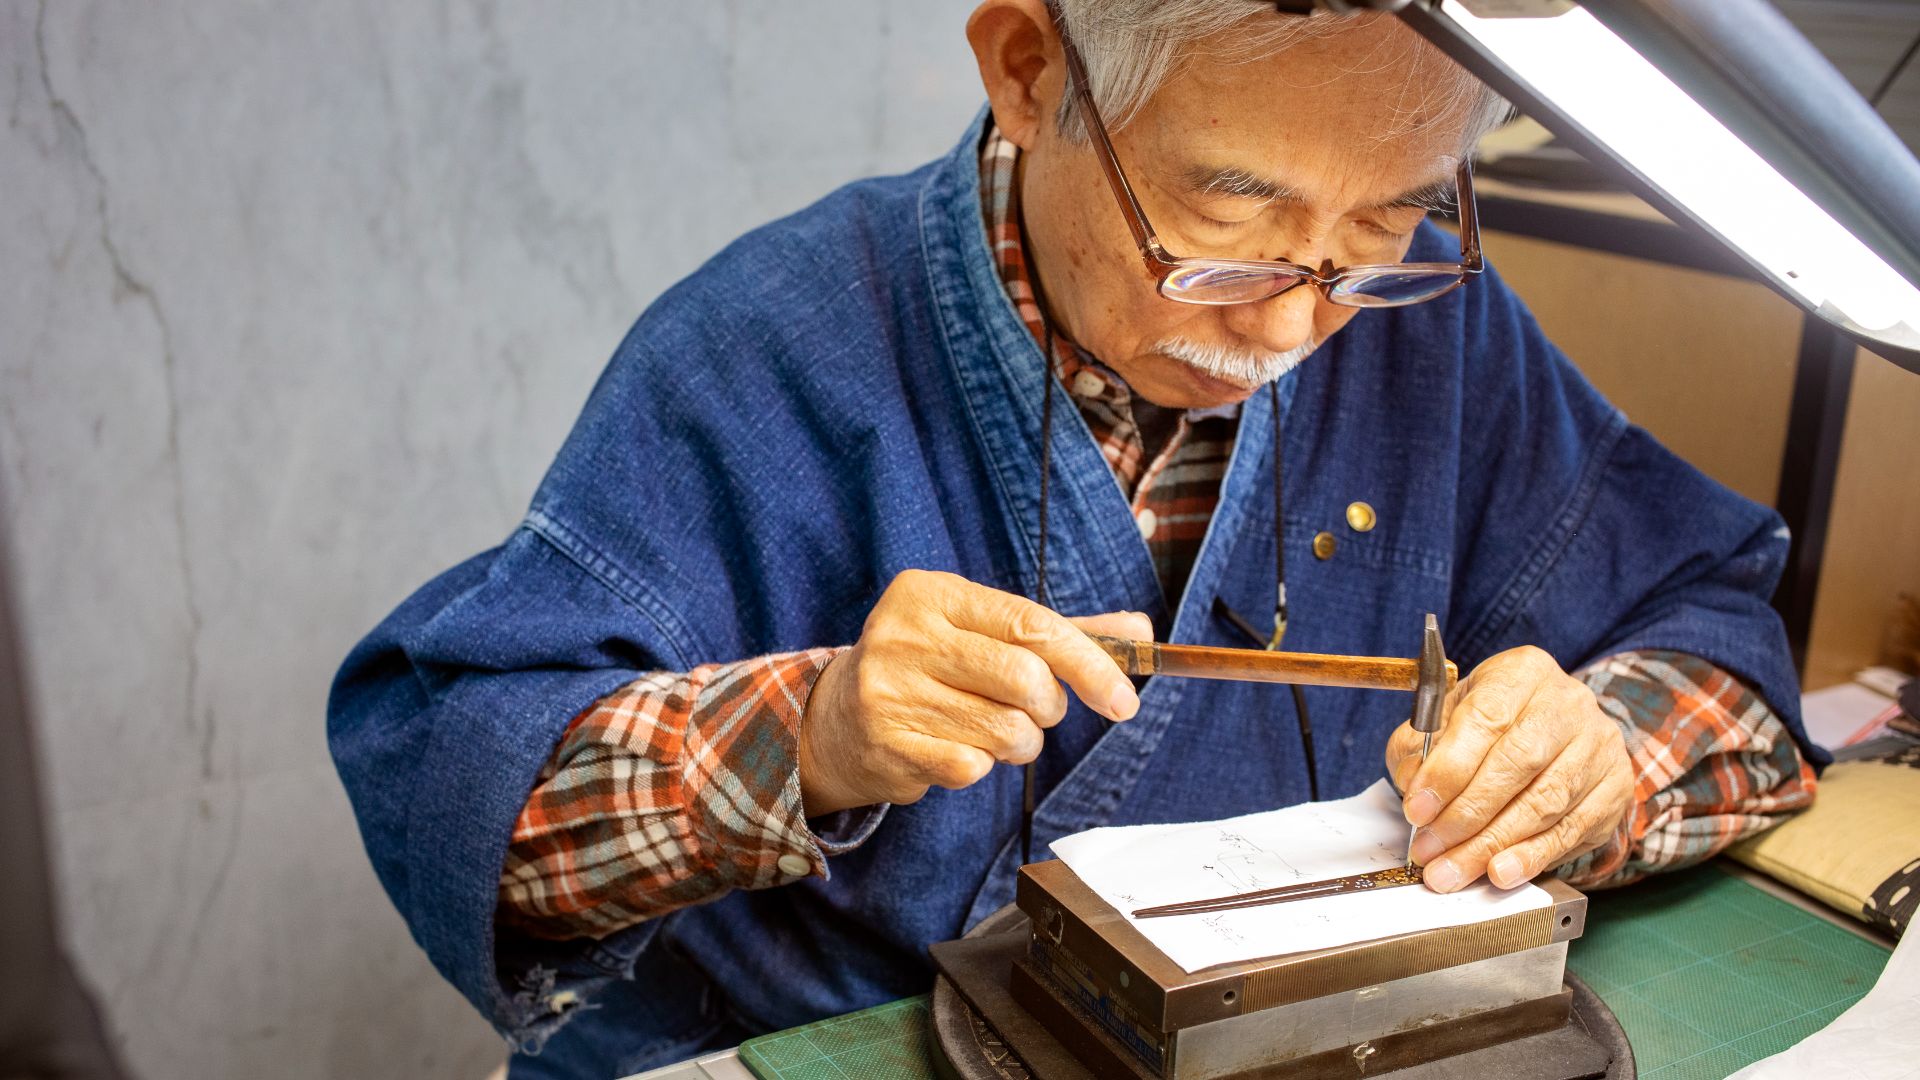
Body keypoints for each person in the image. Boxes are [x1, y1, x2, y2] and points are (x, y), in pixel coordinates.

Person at [328, 2, 1822, 1075]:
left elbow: (1724, 641)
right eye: (1226, 222)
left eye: (1384, 228)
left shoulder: (1437, 334)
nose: (1299, 321)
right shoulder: (767, 350)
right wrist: (806, 735)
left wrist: (1595, 761)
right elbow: (463, 786)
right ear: (1031, 68)